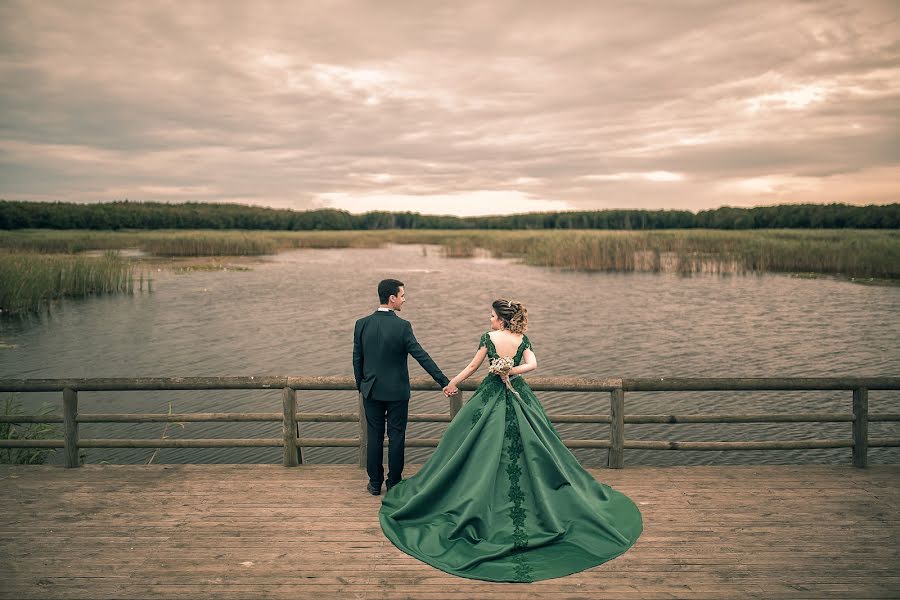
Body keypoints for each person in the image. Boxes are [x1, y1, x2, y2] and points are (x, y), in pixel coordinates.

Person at [379, 298, 643, 582]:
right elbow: (533, 364)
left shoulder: (488, 338)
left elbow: (471, 367)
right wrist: (512, 371)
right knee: (536, 444)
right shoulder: (521, 339)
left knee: (475, 444)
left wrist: (453, 383)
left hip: (491, 395)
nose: (489, 318)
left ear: (501, 319)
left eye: (492, 315)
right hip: (519, 395)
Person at [353, 279, 451, 496]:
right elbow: (421, 356)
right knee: (397, 436)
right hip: (397, 392)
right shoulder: (402, 326)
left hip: (371, 390)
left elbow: (357, 359)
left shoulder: (362, 324)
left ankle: (375, 483)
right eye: (403, 295)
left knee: (374, 436)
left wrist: (361, 385)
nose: (404, 299)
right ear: (392, 298)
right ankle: (394, 483)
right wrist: (444, 381)